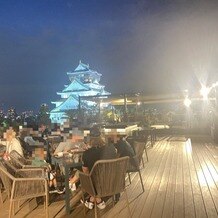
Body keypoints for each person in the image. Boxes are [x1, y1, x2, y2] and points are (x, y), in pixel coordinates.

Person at [69, 126, 116, 210]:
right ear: (101, 136)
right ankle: (95, 200)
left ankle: (94, 199)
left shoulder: (87, 153)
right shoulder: (111, 149)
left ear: (90, 138)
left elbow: (86, 172)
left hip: (97, 184)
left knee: (84, 175)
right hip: (111, 180)